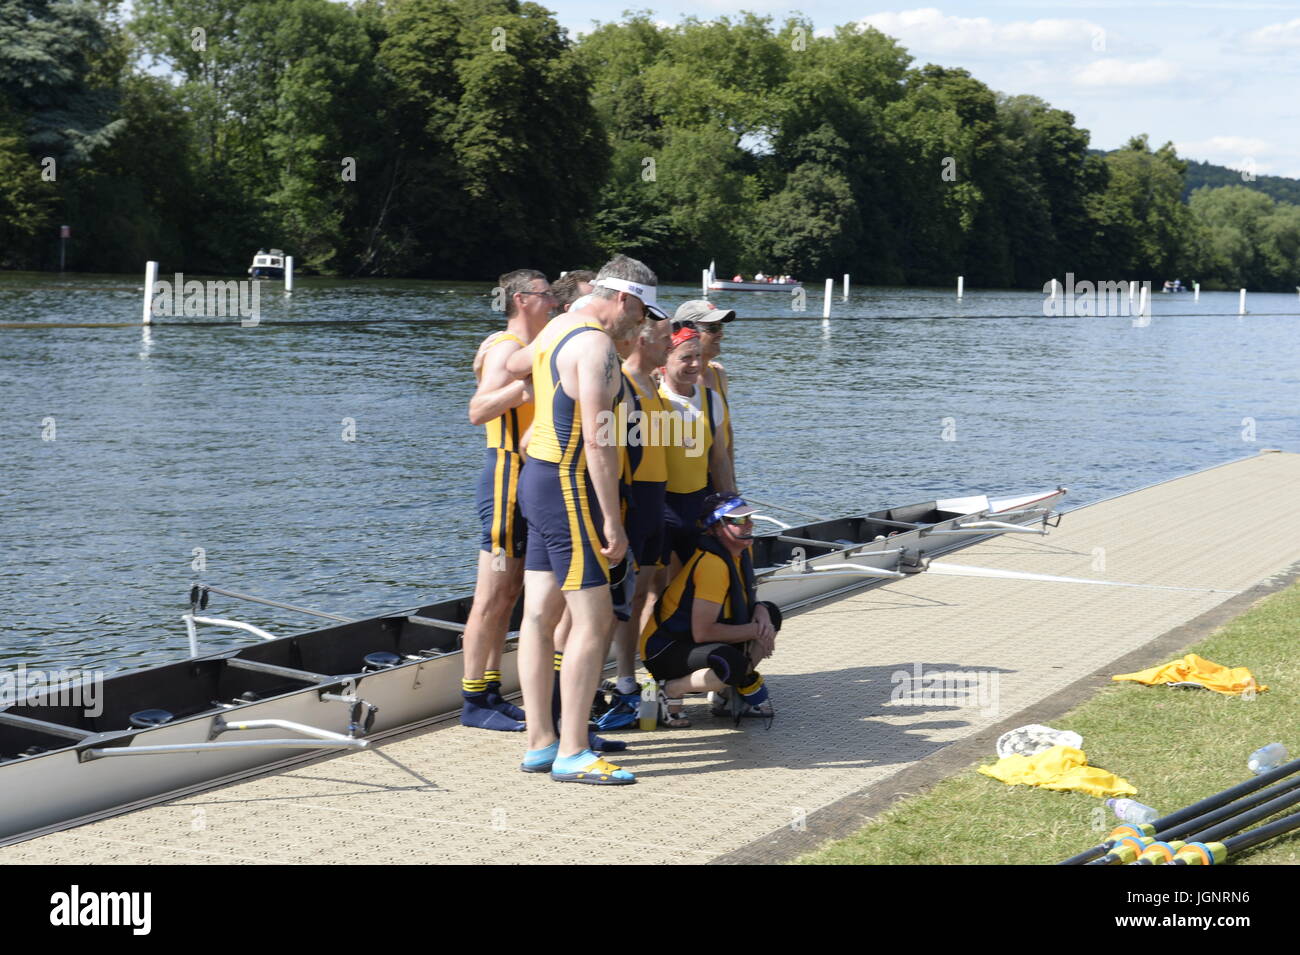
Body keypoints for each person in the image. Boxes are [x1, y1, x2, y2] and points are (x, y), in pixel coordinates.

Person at [505, 254, 665, 785]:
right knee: (595, 620)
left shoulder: (557, 326)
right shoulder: (594, 343)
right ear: (621, 297)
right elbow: (598, 438)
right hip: (571, 484)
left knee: (539, 615)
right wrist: (613, 523)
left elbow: (513, 367)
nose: (642, 322)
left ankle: (540, 741)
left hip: (539, 479)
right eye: (641, 309)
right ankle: (573, 751)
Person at [460, 269, 556, 731]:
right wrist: (526, 387)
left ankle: (492, 691)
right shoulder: (503, 349)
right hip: (505, 478)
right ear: (521, 299)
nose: (554, 302)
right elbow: (477, 410)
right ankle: (474, 700)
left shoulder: (529, 349)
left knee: (511, 591)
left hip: (528, 475)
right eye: (546, 295)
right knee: (493, 594)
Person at [640, 492, 781, 723]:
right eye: (738, 520)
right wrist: (758, 631)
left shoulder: (744, 549)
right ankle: (671, 689)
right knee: (731, 664)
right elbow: (703, 632)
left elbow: (745, 599)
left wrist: (761, 611)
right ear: (715, 528)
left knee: (771, 613)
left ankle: (725, 695)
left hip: (698, 641)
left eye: (749, 518)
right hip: (666, 648)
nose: (748, 525)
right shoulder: (712, 565)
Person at [594, 315, 673, 727]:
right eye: (663, 339)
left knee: (642, 595)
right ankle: (611, 680)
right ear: (641, 340)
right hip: (634, 499)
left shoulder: (653, 386)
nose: (669, 346)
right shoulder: (622, 383)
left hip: (656, 498)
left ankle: (632, 675)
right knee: (621, 600)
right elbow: (608, 449)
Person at [672, 300, 736, 474]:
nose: (721, 334)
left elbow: (727, 433)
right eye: (713, 328)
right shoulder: (668, 380)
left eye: (721, 327)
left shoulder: (718, 374)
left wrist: (732, 489)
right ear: (689, 332)